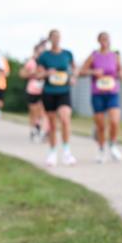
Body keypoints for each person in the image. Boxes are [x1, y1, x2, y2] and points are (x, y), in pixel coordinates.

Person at [80, 32, 122, 163]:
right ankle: (101, 149)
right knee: (101, 126)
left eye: (107, 39)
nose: (105, 41)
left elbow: (121, 71)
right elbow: (81, 72)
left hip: (112, 92)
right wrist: (93, 72)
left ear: (110, 40)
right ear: (98, 41)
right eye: (102, 39)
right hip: (97, 94)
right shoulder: (94, 56)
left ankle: (112, 144)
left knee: (114, 121)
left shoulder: (115, 56)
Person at [36, 29, 77, 166]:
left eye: (58, 37)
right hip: (49, 91)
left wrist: (73, 77)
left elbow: (74, 69)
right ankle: (52, 151)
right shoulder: (44, 56)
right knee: (52, 124)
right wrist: (47, 72)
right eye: (53, 37)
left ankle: (66, 151)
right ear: (50, 39)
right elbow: (38, 75)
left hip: (64, 90)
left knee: (65, 118)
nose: (56, 39)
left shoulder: (67, 54)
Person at [20, 41, 47, 141]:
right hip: (32, 90)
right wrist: (33, 73)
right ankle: (33, 129)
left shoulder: (46, 62)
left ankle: (43, 131)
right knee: (33, 112)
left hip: (44, 90)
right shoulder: (31, 62)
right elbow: (22, 74)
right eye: (39, 50)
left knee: (43, 111)